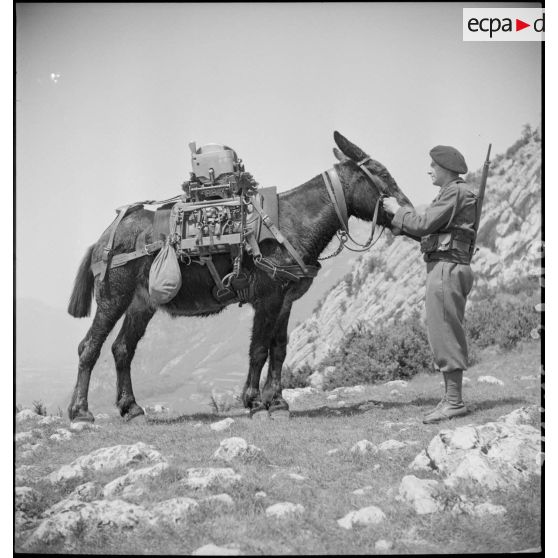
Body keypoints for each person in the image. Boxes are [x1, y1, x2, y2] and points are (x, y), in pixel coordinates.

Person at [382, 145, 477, 424]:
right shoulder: (453, 193)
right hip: (444, 266)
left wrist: (397, 210)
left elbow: (424, 223)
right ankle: (450, 399)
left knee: (445, 332)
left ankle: (454, 402)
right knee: (442, 330)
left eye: (433, 166)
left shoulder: (455, 192)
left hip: (446, 270)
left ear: (446, 168)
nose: (429, 170)